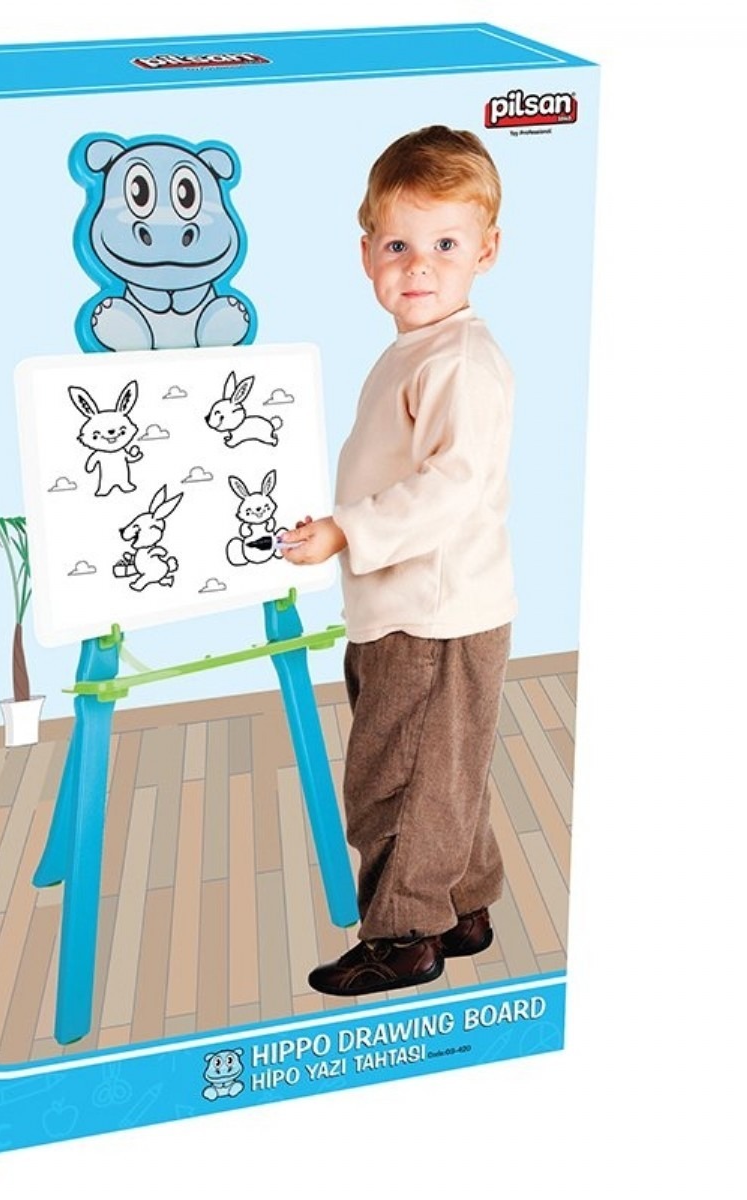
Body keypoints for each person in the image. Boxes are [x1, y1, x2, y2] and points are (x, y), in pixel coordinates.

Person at [281, 125, 516, 995]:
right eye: (398, 247)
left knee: (396, 779)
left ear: (486, 251)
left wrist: (346, 530)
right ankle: (463, 906)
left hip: (432, 613)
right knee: (444, 772)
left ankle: (405, 935)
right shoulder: (420, 347)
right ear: (367, 254)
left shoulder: (461, 362)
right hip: (409, 606)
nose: (418, 268)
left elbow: (452, 487)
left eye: (445, 246)